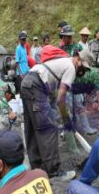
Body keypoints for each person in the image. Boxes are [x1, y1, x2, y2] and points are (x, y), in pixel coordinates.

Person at [20, 47, 92, 181]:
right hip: (36, 86)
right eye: (84, 67)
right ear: (78, 58)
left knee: (33, 127)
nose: (82, 71)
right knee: (49, 128)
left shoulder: (62, 61)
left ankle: (37, 166)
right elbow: (60, 99)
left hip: (27, 82)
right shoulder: (70, 67)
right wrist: (66, 119)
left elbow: (54, 95)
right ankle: (53, 171)